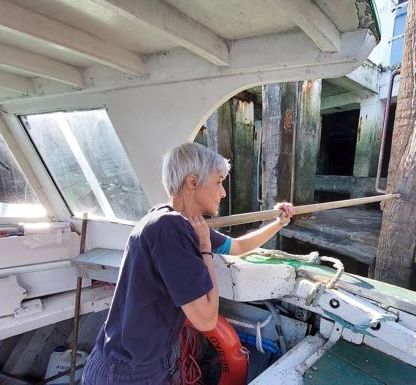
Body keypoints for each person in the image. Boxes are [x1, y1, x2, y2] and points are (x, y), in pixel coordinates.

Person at [82, 142, 294, 385]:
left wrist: (279, 223)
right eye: (218, 181)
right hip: (128, 373)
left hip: (119, 360)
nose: (223, 192)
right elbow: (206, 319)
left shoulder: (177, 221)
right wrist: (205, 249)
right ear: (192, 182)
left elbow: (237, 247)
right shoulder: (170, 228)